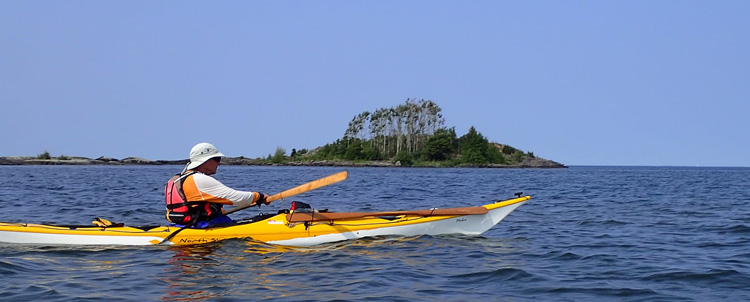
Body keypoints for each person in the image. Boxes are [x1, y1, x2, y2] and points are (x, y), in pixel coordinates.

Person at [165, 142, 269, 227]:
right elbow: (237, 199)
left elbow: (193, 203)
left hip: (184, 226)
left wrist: (216, 209)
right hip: (205, 225)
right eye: (217, 159)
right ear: (206, 160)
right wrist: (259, 196)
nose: (219, 163)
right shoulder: (199, 179)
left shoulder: (175, 180)